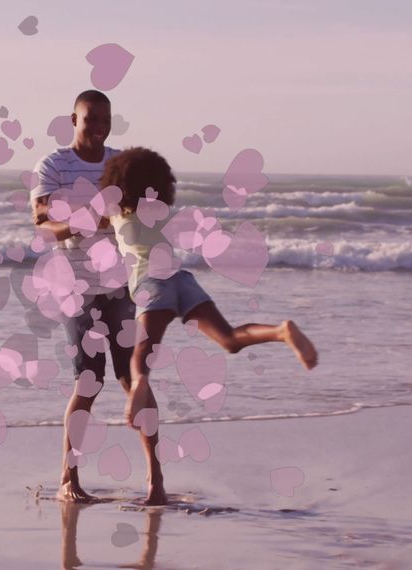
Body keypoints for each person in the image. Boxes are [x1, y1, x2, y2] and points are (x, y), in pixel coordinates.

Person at [99, 147, 319, 437]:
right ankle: (280, 331)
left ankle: (139, 384)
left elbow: (85, 221)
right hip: (182, 280)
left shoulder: (116, 214)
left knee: (142, 352)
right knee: (229, 339)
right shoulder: (163, 211)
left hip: (151, 283)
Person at [30, 91, 167, 505]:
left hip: (123, 285)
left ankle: (155, 480)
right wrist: (85, 221)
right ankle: (68, 476)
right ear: (73, 119)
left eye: (106, 119)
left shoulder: (121, 163)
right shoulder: (53, 165)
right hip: (77, 287)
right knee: (89, 381)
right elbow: (42, 225)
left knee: (134, 379)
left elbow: (149, 210)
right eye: (91, 119)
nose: (99, 127)